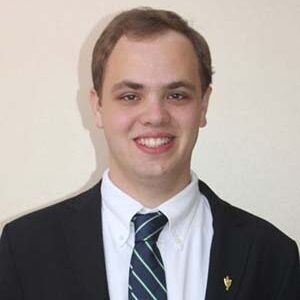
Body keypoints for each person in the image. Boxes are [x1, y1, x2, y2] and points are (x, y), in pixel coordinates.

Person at [0, 7, 299, 300]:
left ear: (204, 105)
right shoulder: (24, 250)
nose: (155, 116)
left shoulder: (273, 257)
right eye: (130, 96)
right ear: (97, 107)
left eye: (176, 95)